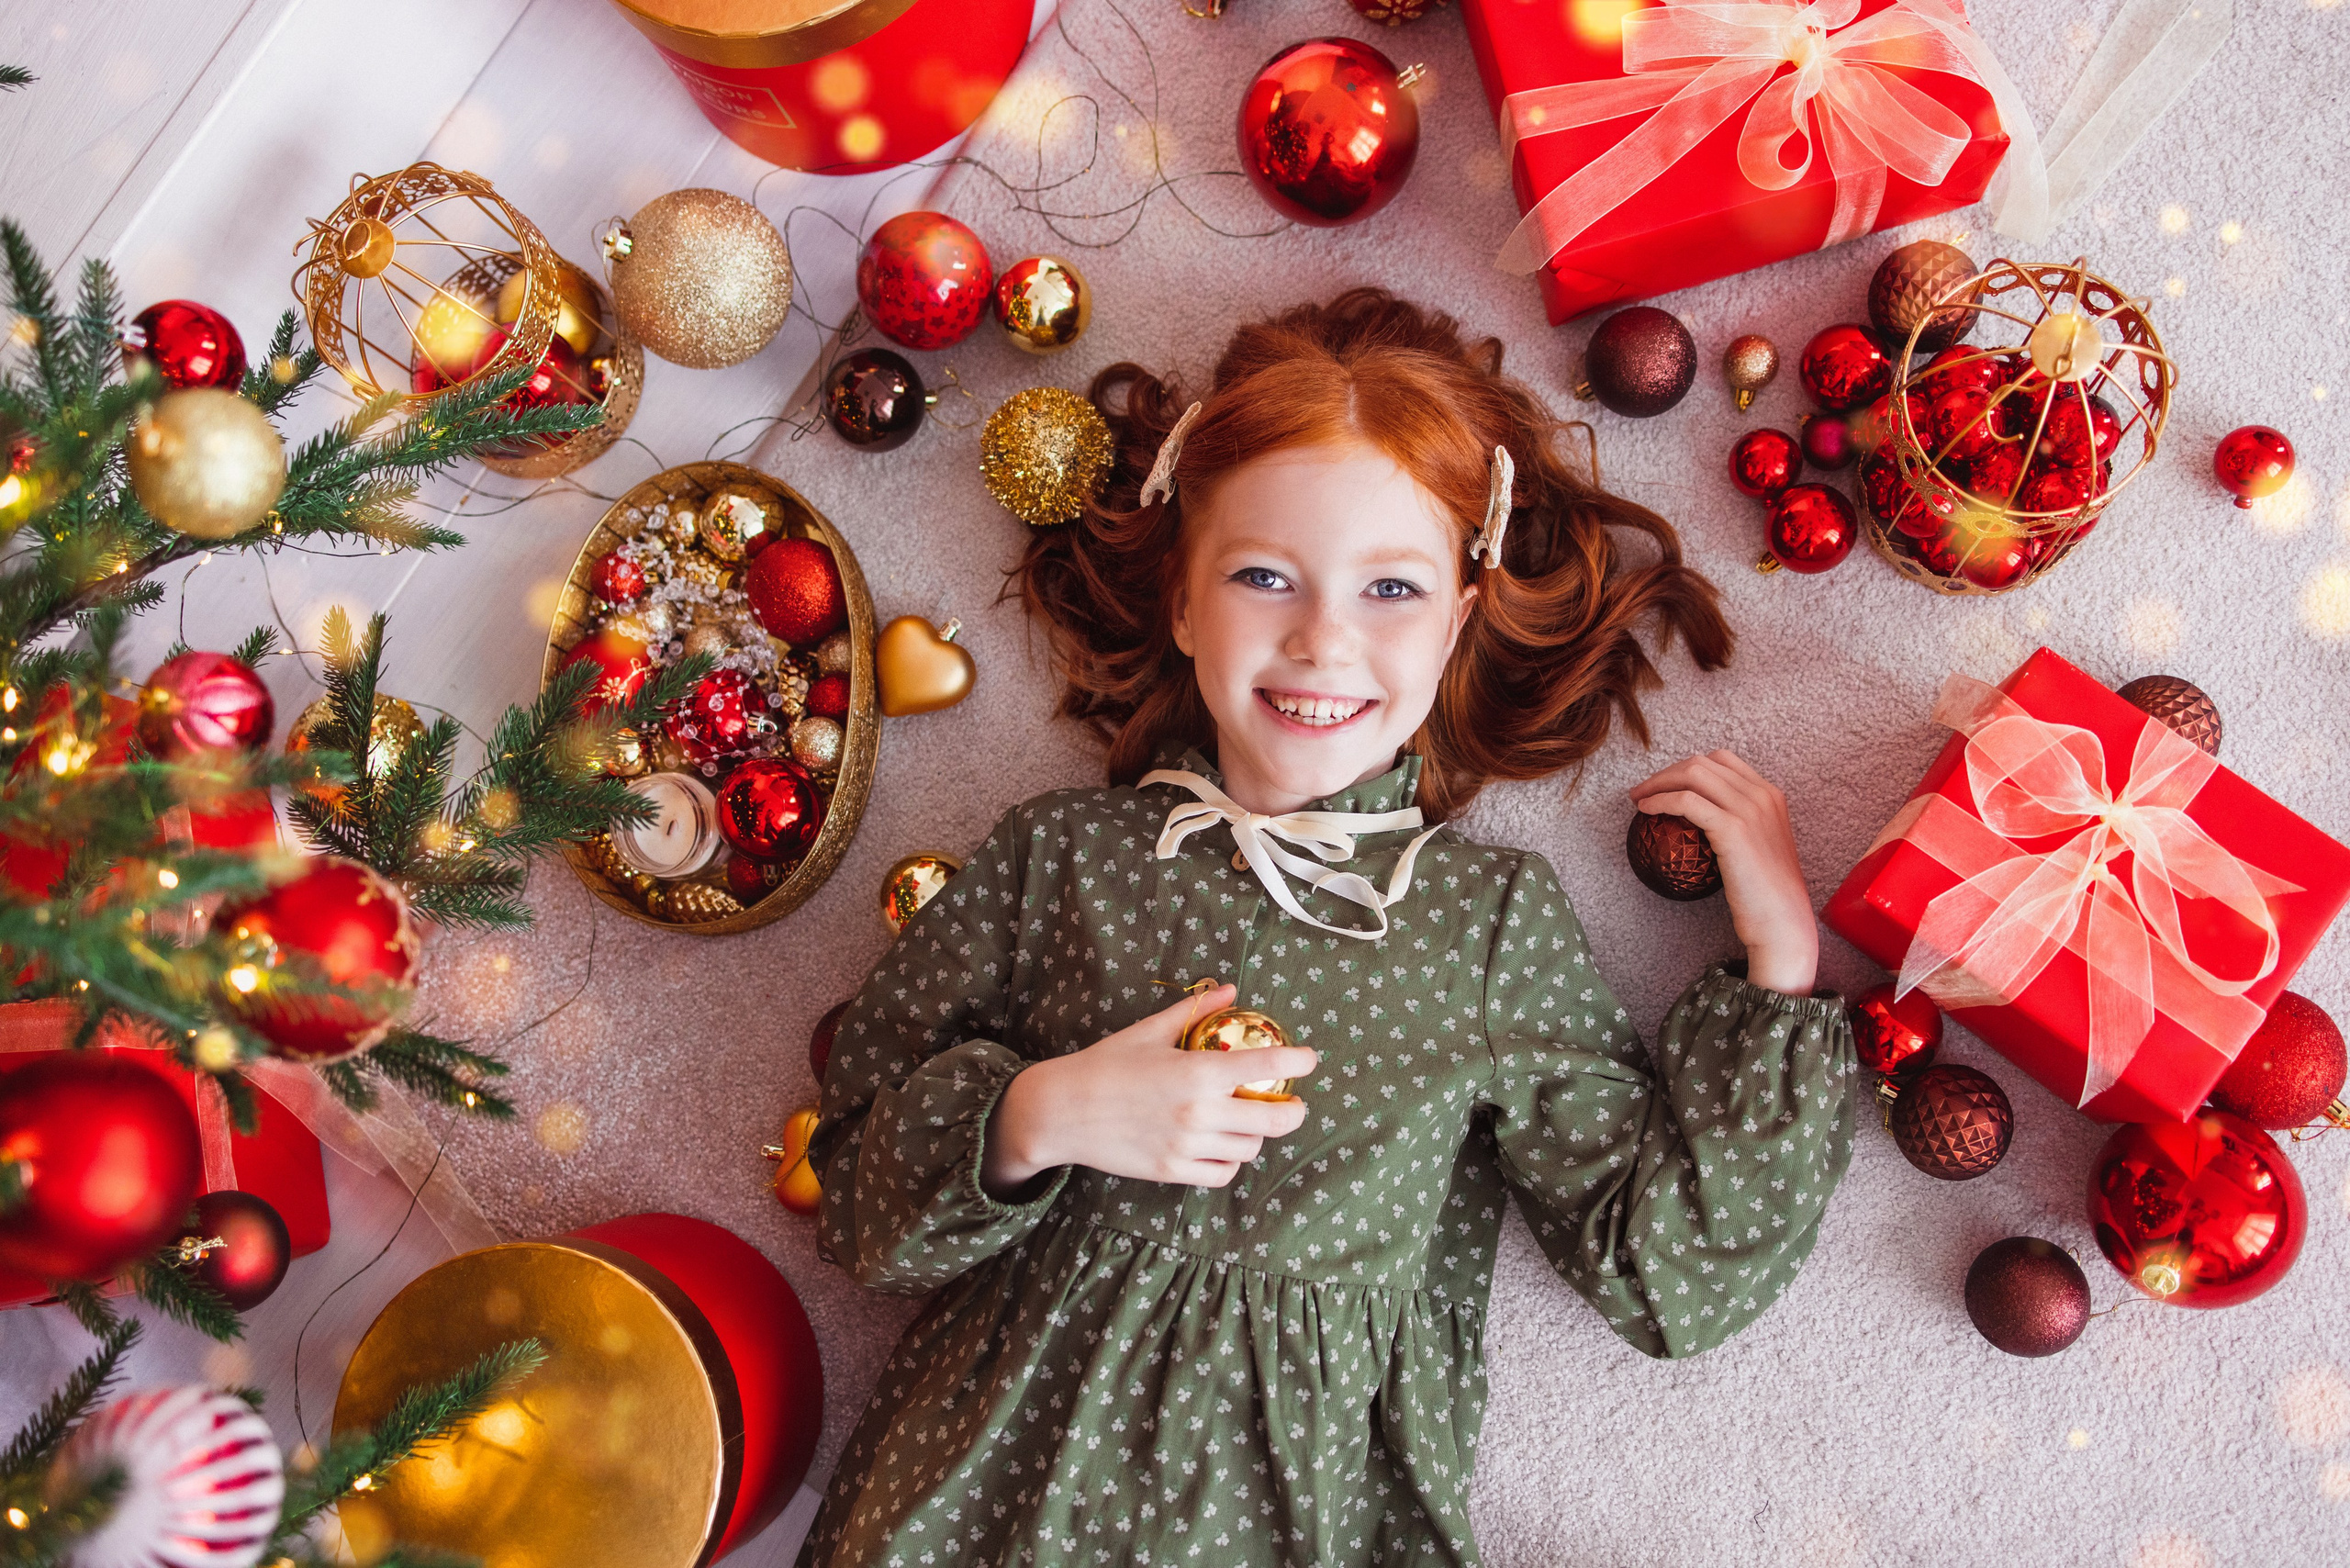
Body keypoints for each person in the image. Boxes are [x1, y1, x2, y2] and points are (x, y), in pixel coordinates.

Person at [798, 288, 1856, 1567]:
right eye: (1262, 576)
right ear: (1186, 605)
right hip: (977, 1504)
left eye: (1392, 587)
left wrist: (1781, 970)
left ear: (1459, 621)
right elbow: (857, 1204)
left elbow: (1666, 1277)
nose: (1322, 639)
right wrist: (1043, 1114)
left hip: (1299, 1518)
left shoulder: (1487, 925)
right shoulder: (1060, 853)